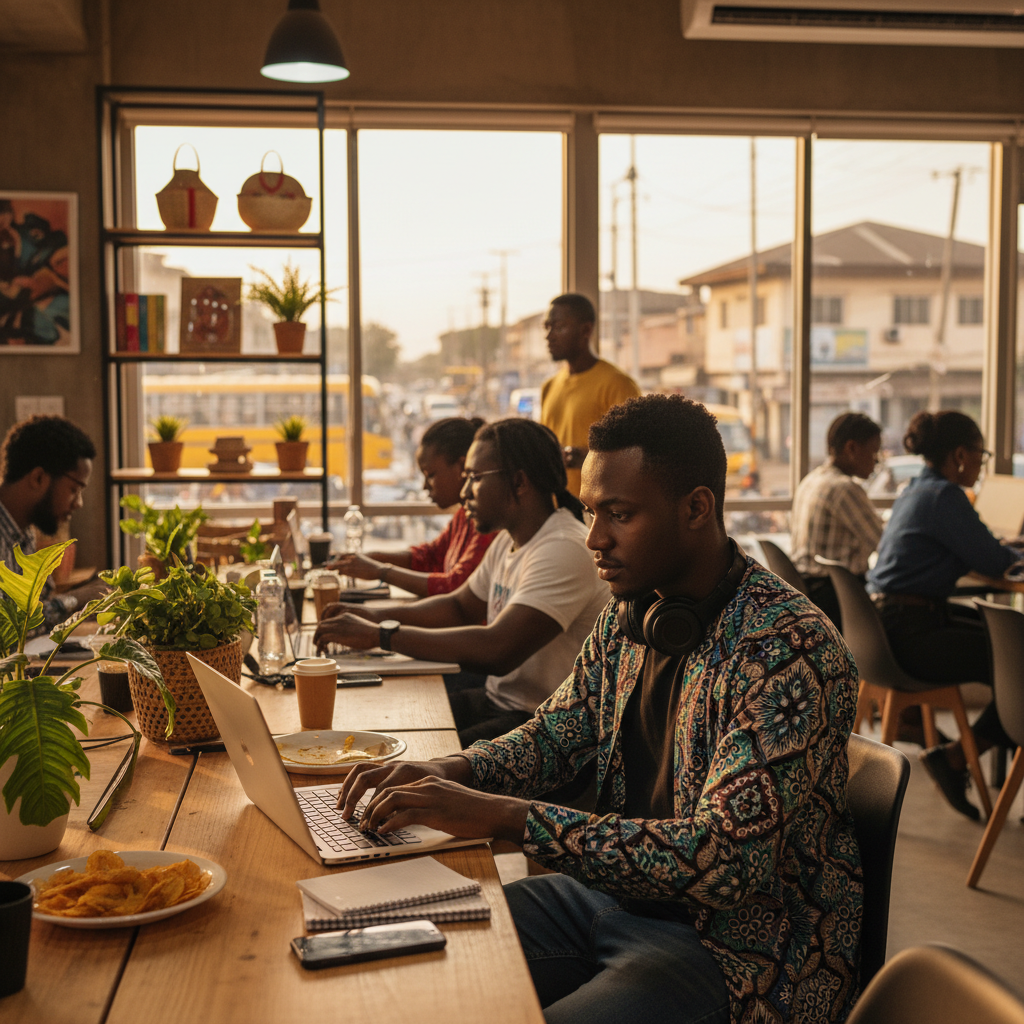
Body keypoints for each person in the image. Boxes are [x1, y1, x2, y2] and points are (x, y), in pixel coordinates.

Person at [336, 394, 863, 1024]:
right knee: (386, 957)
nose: (595, 539)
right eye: (591, 513)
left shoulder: (788, 649)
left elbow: (720, 862)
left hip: (741, 951)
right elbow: (555, 735)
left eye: (619, 514)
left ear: (698, 507)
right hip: (612, 897)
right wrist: (453, 772)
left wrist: (502, 816)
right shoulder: (633, 611)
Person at [314, 418, 610, 746]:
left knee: (412, 756)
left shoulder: (563, 548)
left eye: (474, 478)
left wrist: (380, 635)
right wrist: (372, 617)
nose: (465, 491)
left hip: (544, 725)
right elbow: (459, 606)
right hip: (498, 703)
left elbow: (497, 649)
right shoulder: (508, 540)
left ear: (519, 481)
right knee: (379, 722)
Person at [867, 410, 1021, 820]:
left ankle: (960, 756)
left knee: (1013, 644)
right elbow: (992, 560)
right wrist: (1011, 551)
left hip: (892, 625)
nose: (981, 464)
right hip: (913, 635)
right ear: (959, 455)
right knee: (1018, 662)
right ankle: (956, 758)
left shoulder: (917, 490)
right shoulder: (945, 497)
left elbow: (980, 554)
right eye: (980, 455)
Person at [327, 417, 496, 597]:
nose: (425, 486)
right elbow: (429, 557)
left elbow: (455, 588)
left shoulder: (487, 524)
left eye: (430, 475)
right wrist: (369, 559)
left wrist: (380, 571)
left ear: (461, 467)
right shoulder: (463, 516)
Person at [540, 292, 640, 496]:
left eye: (559, 327)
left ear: (586, 330)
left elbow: (636, 458)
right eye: (547, 327)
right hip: (557, 510)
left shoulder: (617, 384)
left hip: (597, 511)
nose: (549, 336)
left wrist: (586, 458)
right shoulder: (549, 386)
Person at [0, 415, 97, 626]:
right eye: (74, 489)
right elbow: (9, 628)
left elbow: (37, 608)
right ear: (38, 478)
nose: (78, 503)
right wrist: (79, 599)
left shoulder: (22, 532)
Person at [789, 411, 883, 626]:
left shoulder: (811, 480)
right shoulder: (845, 489)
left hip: (810, 595)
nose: (876, 461)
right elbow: (885, 545)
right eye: (874, 452)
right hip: (838, 600)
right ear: (851, 448)